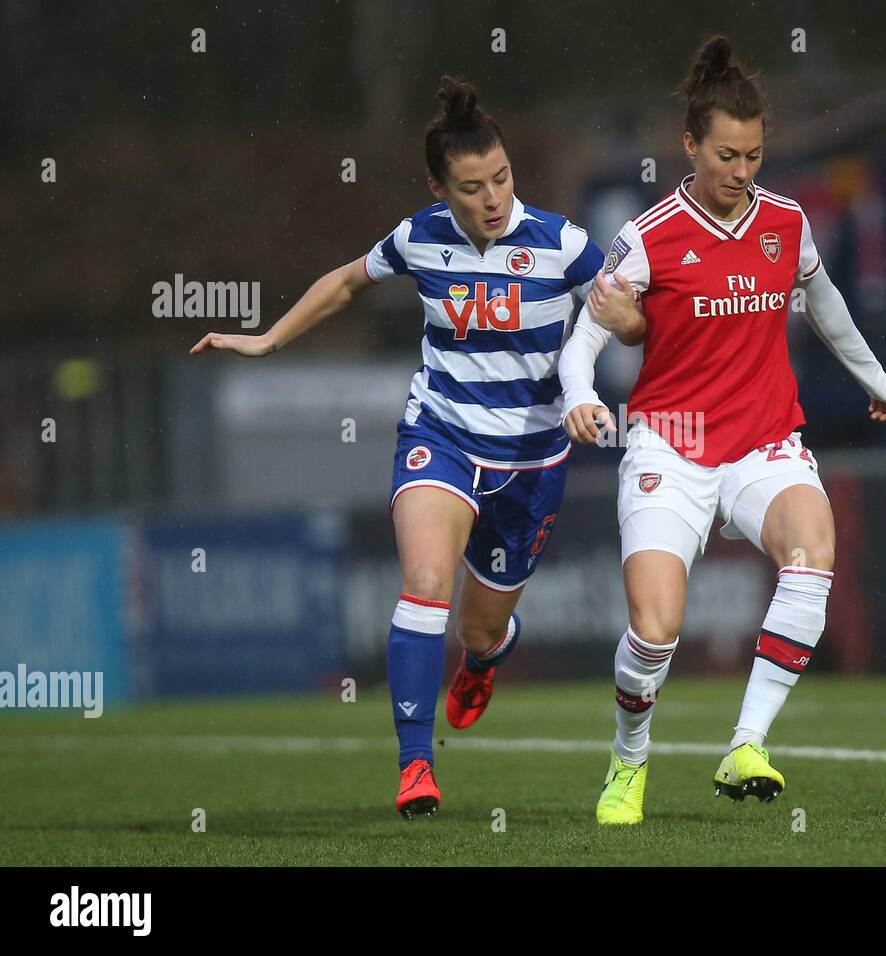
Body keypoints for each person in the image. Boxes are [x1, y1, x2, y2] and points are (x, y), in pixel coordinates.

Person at [191, 77, 605, 818]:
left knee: (478, 626)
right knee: (423, 580)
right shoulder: (419, 237)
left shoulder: (562, 244)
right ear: (438, 188)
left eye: (503, 178)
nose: (493, 197)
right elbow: (348, 282)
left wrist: (610, 367)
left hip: (532, 461)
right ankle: (417, 767)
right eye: (473, 186)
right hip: (440, 435)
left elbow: (625, 307)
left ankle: (485, 657)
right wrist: (269, 338)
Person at [558, 36, 886, 825]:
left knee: (813, 550)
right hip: (669, 444)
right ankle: (628, 761)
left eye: (752, 154)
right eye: (725, 154)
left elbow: (826, 306)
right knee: (655, 630)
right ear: (690, 146)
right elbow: (582, 338)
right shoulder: (649, 235)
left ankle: (747, 744)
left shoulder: (785, 223)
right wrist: (579, 396)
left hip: (762, 441)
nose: (741, 171)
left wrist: (878, 382)